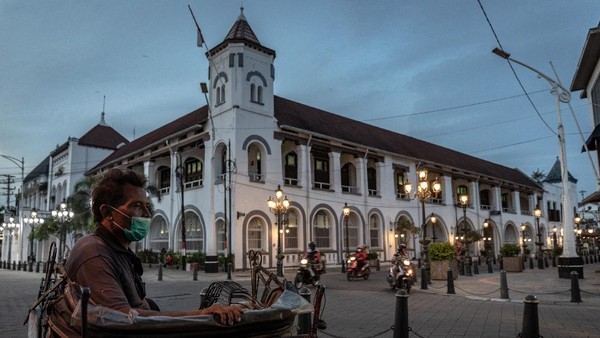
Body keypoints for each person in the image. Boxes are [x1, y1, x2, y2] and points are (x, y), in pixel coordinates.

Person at [64, 168, 243, 325]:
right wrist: (200, 314)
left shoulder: (118, 250)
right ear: (107, 213)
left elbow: (137, 305)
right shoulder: (95, 253)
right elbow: (121, 318)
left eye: (147, 206)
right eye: (137, 206)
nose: (147, 214)